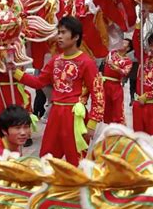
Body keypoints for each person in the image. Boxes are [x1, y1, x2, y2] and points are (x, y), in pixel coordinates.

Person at [13, 16, 104, 166]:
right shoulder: (55, 61)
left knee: (76, 163)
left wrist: (92, 124)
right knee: (46, 159)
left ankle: (77, 188)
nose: (59, 36)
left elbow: (98, 93)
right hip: (55, 114)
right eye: (58, 32)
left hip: (75, 117)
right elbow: (38, 82)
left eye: (63, 32)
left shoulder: (86, 62)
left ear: (75, 37)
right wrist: (16, 72)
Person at [102, 38, 133, 124]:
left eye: (124, 43)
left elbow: (125, 72)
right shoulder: (111, 53)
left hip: (115, 86)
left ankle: (119, 129)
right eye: (121, 42)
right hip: (104, 84)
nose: (121, 44)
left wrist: (115, 67)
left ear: (128, 48)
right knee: (106, 108)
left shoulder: (128, 61)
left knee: (117, 109)